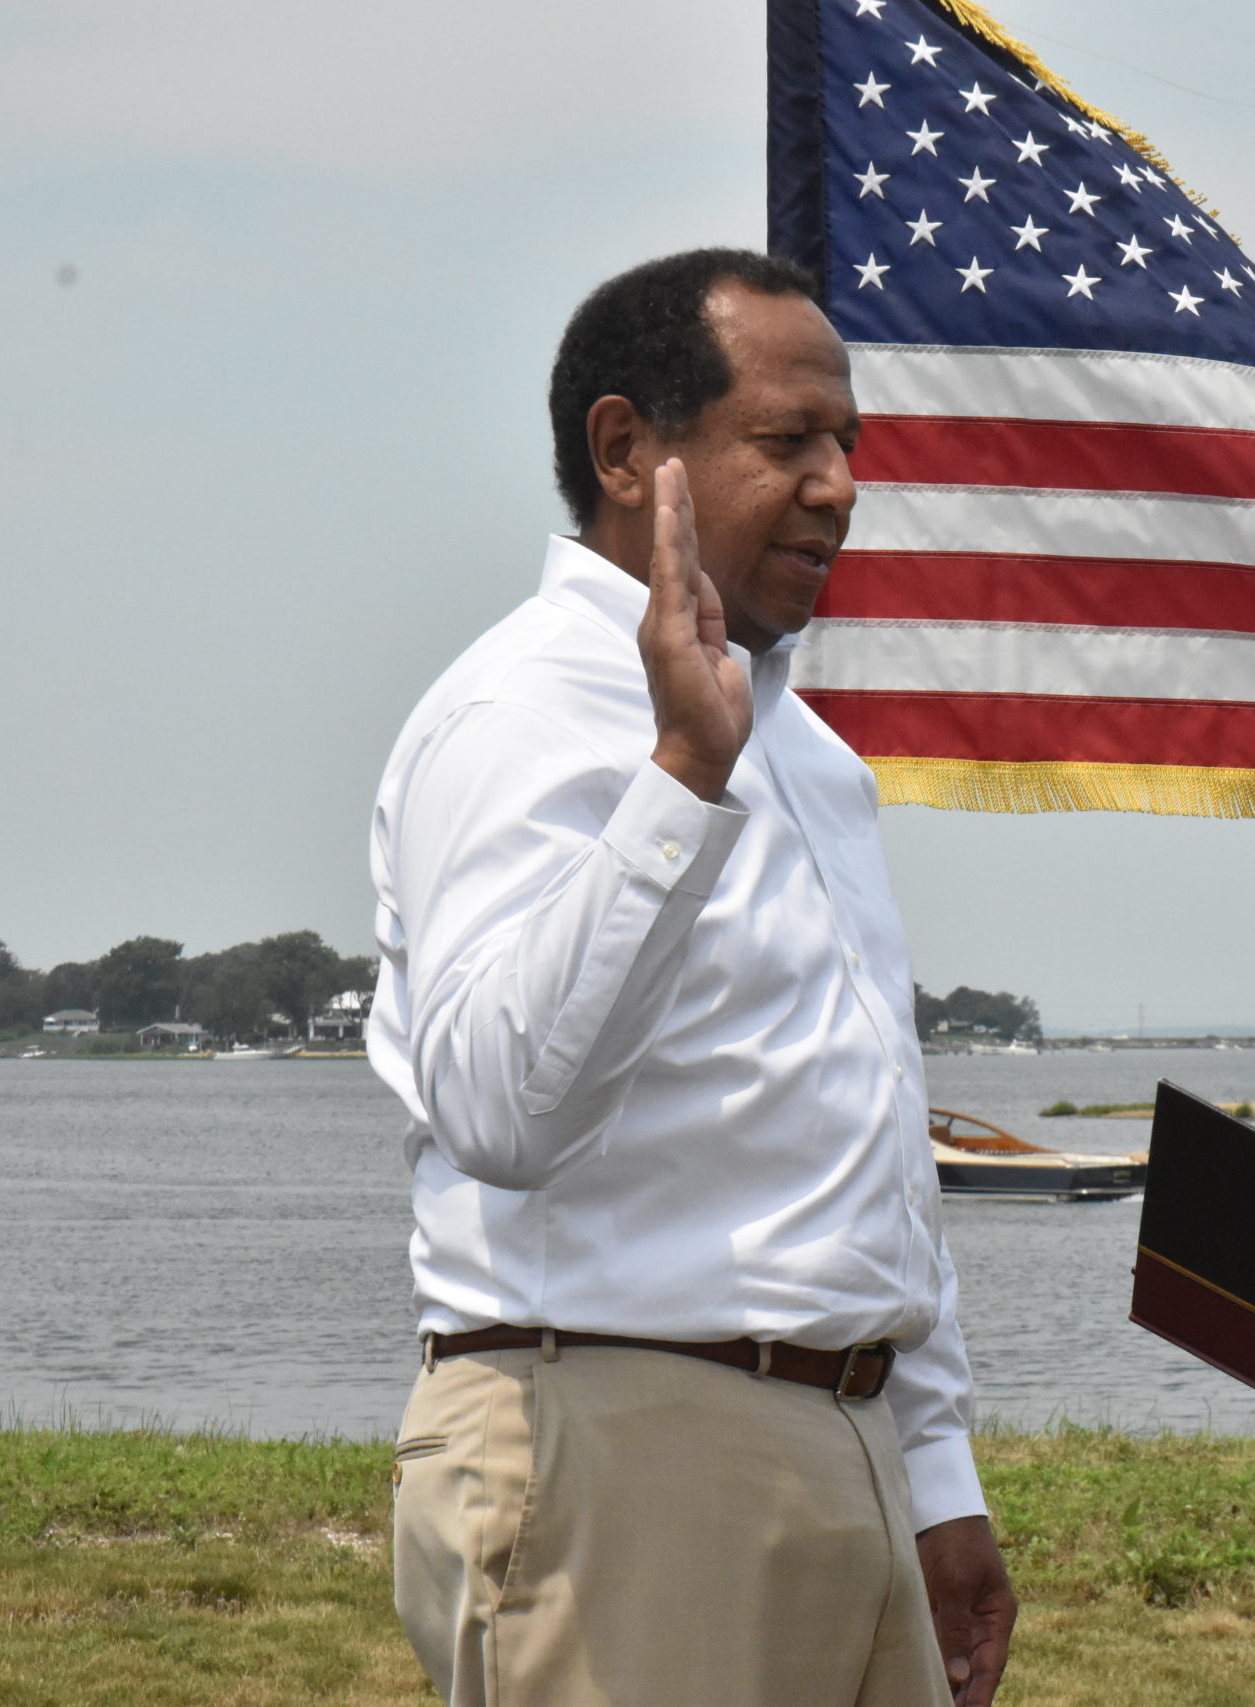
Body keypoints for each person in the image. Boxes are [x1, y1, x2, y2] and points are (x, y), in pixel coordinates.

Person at [366, 247, 1015, 1707]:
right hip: (620, 1452)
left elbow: (859, 1138)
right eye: (787, 442)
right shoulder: (517, 716)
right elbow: (497, 1109)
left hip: (841, 1441)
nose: (840, 483)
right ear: (625, 449)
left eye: (847, 443)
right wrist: (680, 774)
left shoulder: (813, 759)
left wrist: (933, 1469)